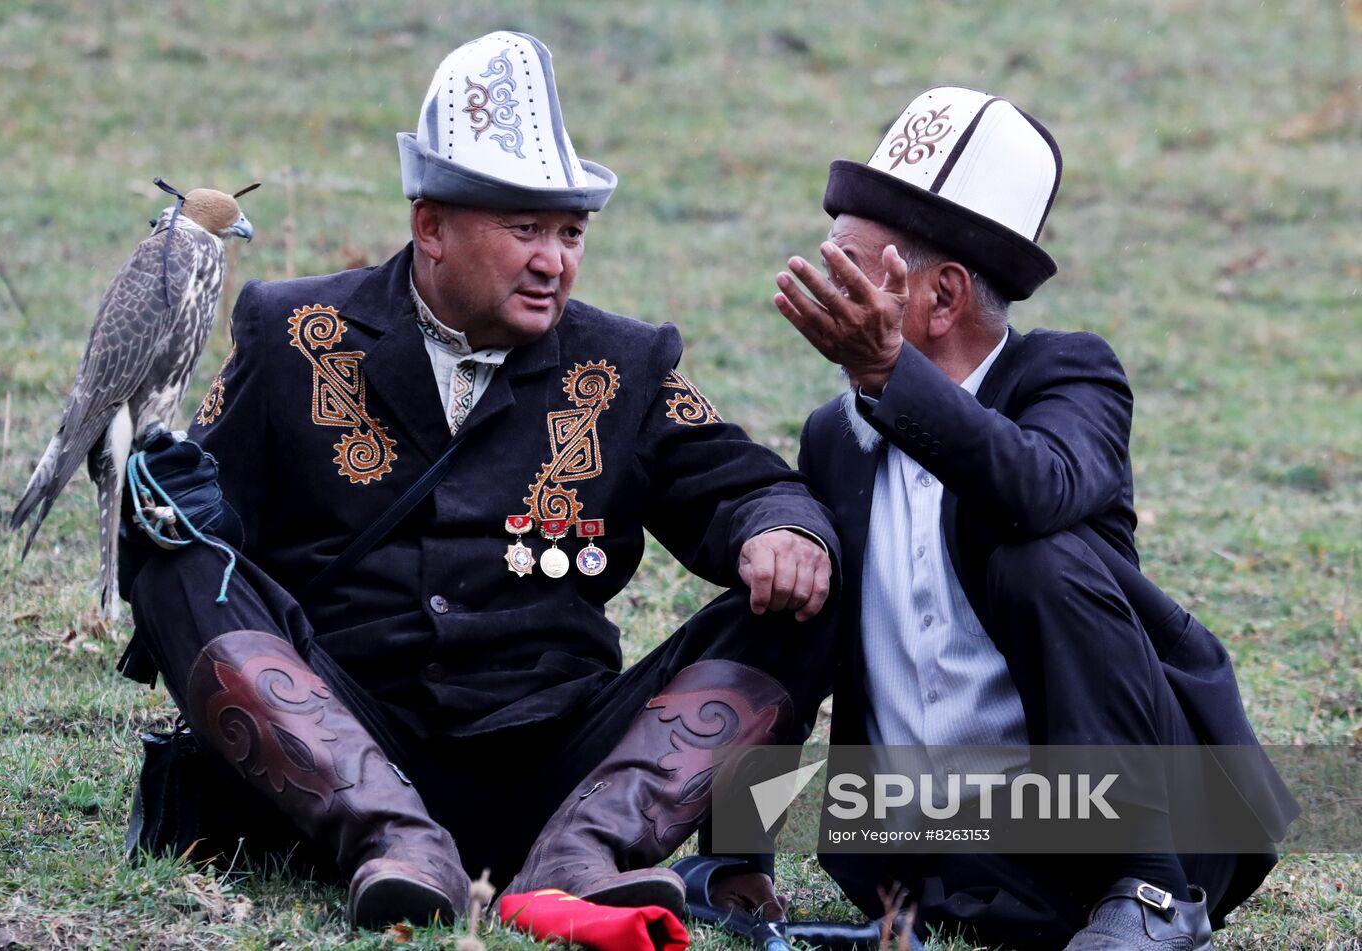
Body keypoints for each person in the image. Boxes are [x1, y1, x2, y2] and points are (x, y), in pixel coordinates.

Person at [117, 31, 838, 931]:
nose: (555, 260)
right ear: (431, 226)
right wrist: (176, 508)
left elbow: (746, 483)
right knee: (172, 558)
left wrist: (783, 529)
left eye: (570, 232)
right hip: (343, 744)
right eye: (524, 228)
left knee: (815, 593)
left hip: (563, 759)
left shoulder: (628, 360)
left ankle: (586, 855)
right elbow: (204, 525)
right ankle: (393, 837)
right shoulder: (291, 328)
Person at [774, 86, 1296, 950]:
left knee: (1039, 556)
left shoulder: (1070, 376)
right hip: (946, 854)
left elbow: (1039, 487)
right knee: (787, 571)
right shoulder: (835, 436)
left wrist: (890, 376)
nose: (831, 286)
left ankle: (1154, 897)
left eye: (856, 267)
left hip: (1156, 822)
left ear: (940, 300)